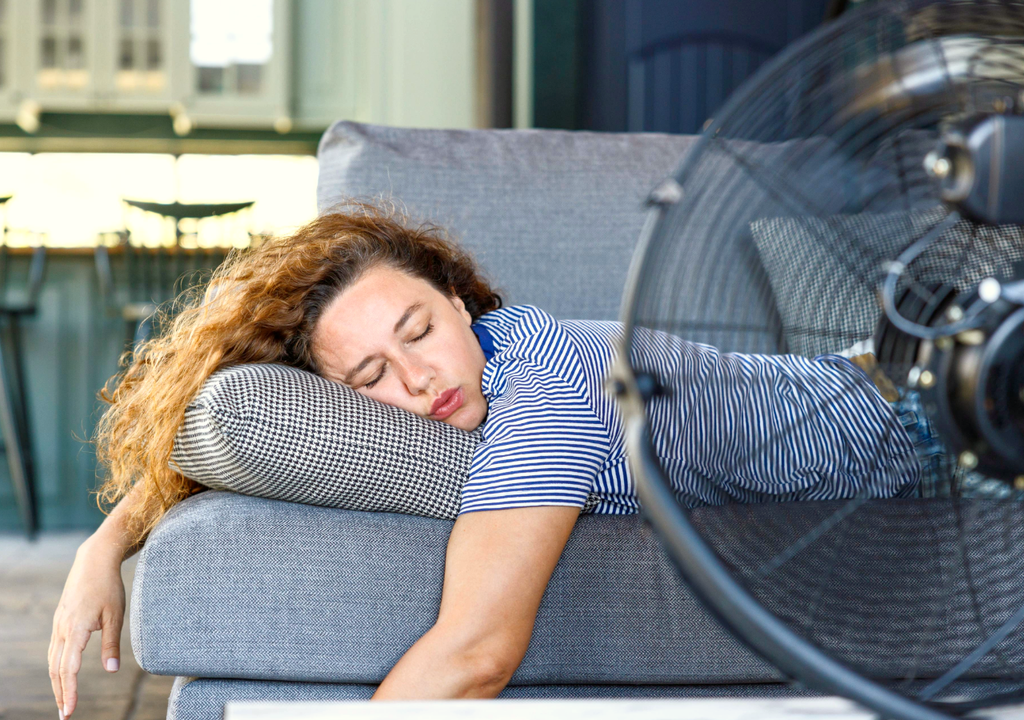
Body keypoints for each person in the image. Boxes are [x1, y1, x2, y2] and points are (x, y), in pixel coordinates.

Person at [48, 202, 919, 717]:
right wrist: (106, 542)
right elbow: (235, 421)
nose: (420, 380)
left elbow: (474, 654)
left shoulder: (547, 397)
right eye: (372, 376)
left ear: (463, 303)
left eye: (419, 330)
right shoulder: (490, 377)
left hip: (914, 418)